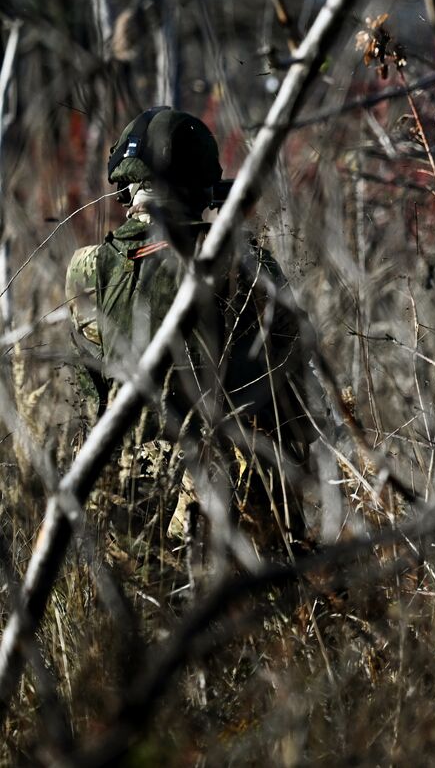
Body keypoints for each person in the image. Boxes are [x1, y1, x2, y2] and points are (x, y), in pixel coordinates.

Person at [65, 107, 310, 590]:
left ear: (124, 185)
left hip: (123, 498)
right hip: (226, 504)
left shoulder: (86, 270)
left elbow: (91, 396)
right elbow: (292, 401)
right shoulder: (244, 266)